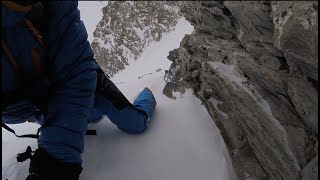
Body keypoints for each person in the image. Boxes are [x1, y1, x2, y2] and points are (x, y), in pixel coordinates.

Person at [2, 1, 157, 180]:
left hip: (83, 83)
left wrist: (54, 166)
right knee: (86, 117)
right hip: (30, 107)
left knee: (135, 124)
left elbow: (75, 72)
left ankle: (147, 95)